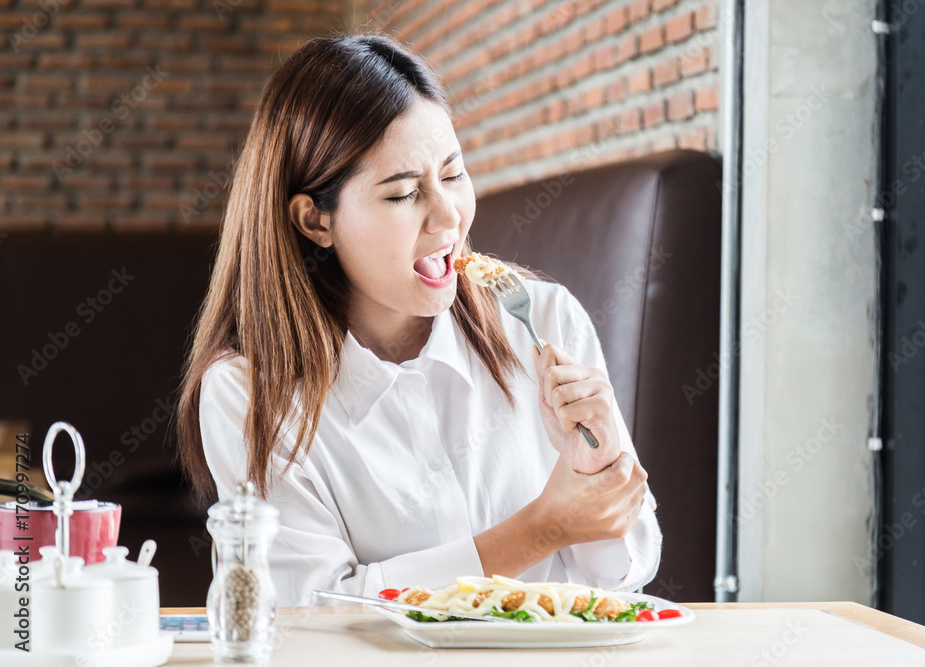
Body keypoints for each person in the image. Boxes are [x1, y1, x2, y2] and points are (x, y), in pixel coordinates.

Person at [174, 31, 661, 607]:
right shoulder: (248, 391)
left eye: (453, 175)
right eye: (403, 194)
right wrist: (543, 529)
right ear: (315, 222)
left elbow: (632, 566)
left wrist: (599, 468)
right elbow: (308, 609)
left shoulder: (545, 318)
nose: (448, 216)